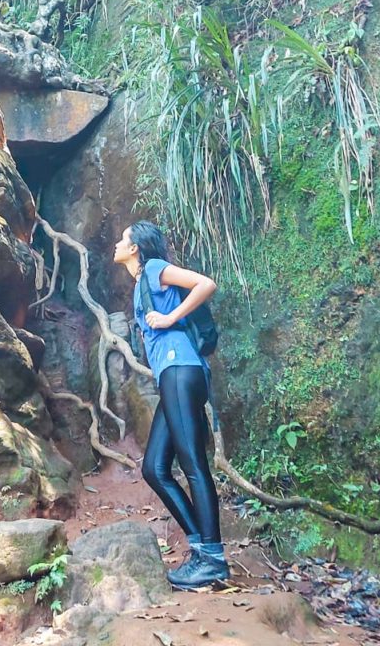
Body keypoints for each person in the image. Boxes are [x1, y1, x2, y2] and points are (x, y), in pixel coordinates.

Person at [113, 220, 229, 589]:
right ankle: (202, 549)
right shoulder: (140, 283)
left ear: (135, 248)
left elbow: (205, 284)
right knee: (155, 468)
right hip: (173, 376)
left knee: (192, 462)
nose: (117, 243)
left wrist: (169, 318)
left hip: (183, 369)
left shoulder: (153, 268)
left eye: (123, 239)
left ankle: (212, 559)